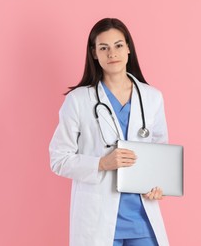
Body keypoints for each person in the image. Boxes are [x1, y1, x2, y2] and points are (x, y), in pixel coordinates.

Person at [49, 18, 170, 246]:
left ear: (128, 48)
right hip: (97, 220)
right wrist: (101, 164)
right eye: (103, 48)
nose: (112, 53)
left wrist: (158, 186)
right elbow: (58, 159)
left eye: (118, 45)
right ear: (94, 53)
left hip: (142, 221)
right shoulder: (78, 101)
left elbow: (160, 154)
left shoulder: (152, 97)